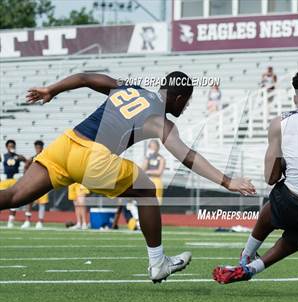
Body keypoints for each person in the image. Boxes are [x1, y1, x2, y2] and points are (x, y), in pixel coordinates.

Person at [0, 71, 255, 283]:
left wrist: (51, 90)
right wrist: (227, 181)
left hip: (66, 144)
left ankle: (159, 262)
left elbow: (86, 77)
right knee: (146, 189)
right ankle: (158, 263)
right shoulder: (161, 121)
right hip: (93, 157)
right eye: (186, 101)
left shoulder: (129, 87)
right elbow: (187, 156)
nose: (186, 106)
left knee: (14, 195)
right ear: (176, 97)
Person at [213, 69, 298, 284]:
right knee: (294, 240)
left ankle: (246, 255)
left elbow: (271, 177)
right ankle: (252, 269)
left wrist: (285, 163)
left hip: (290, 205)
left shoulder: (281, 122)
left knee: (272, 205)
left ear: (295, 98)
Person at [21, 140, 49, 229]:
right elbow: (25, 167)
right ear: (35, 148)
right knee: (29, 202)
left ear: (42, 148)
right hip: (33, 183)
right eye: (37, 147)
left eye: (40, 147)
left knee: (42, 203)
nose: (38, 149)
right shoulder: (32, 158)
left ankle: (40, 221)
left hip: (43, 183)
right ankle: (27, 220)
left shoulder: (46, 158)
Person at [0, 140, 26, 228]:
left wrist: (19, 157)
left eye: (13, 146)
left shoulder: (17, 156)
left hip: (14, 179)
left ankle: (11, 221)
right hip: (5, 179)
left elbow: (26, 161)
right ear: (6, 147)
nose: (11, 147)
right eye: (10, 146)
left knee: (14, 201)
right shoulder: (3, 156)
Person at [143, 140, 166, 205]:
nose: (152, 148)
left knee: (156, 201)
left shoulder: (161, 158)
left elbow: (159, 172)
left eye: (154, 146)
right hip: (148, 181)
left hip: (156, 181)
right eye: (151, 146)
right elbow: (143, 169)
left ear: (157, 147)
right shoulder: (147, 158)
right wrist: (147, 158)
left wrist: (148, 172)